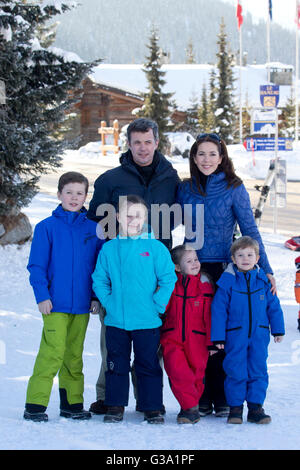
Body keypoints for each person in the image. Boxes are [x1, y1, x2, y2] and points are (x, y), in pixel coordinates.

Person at [176, 133, 276, 417]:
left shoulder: (234, 188)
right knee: (198, 335)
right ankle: (202, 396)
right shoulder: (185, 189)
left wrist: (265, 269)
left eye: (212, 154)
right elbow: (163, 219)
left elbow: (250, 230)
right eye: (201, 154)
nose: (206, 159)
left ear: (222, 158)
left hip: (224, 269)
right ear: (194, 158)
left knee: (222, 335)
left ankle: (223, 398)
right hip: (194, 268)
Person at [87, 118, 180, 414]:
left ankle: (147, 400)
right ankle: (108, 396)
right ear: (129, 143)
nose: (142, 148)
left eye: (148, 141)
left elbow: (177, 217)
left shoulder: (170, 178)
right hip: (118, 269)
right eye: (137, 142)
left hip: (154, 267)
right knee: (112, 339)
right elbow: (94, 228)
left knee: (149, 344)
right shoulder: (110, 180)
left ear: (157, 142)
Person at [24, 172, 104, 422]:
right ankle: (35, 404)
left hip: (81, 305)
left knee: (74, 355)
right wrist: (42, 295)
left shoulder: (93, 230)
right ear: (59, 194)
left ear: (86, 196)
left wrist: (94, 297)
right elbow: (36, 266)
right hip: (54, 304)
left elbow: (97, 268)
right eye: (68, 192)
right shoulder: (46, 227)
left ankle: (72, 403)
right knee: (52, 352)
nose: (73, 197)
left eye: (79, 193)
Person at [92, 195, 177, 424]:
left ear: (145, 218)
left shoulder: (155, 248)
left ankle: (151, 407)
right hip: (116, 321)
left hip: (147, 320)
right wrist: (109, 303)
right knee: (115, 363)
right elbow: (99, 279)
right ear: (118, 217)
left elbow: (168, 279)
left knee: (147, 364)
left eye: (138, 215)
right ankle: (115, 405)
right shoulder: (110, 248)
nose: (133, 220)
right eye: (128, 215)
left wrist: (157, 305)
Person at [211, 236, 285, 424]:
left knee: (258, 369)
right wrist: (218, 337)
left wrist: (278, 329)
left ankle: (255, 408)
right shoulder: (227, 282)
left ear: (257, 258)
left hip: (259, 335)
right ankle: (235, 408)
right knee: (235, 369)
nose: (245, 258)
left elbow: (274, 307)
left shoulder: (264, 282)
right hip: (235, 334)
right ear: (233, 259)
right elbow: (219, 310)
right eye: (240, 255)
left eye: (250, 254)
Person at [160, 244, 214, 424]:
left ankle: (189, 407)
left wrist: (212, 341)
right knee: (177, 372)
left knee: (197, 374)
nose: (195, 263)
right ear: (177, 267)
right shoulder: (171, 284)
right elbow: (162, 307)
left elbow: (210, 316)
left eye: (196, 259)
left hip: (198, 339)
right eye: (189, 261)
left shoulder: (205, 286)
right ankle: (190, 407)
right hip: (172, 337)